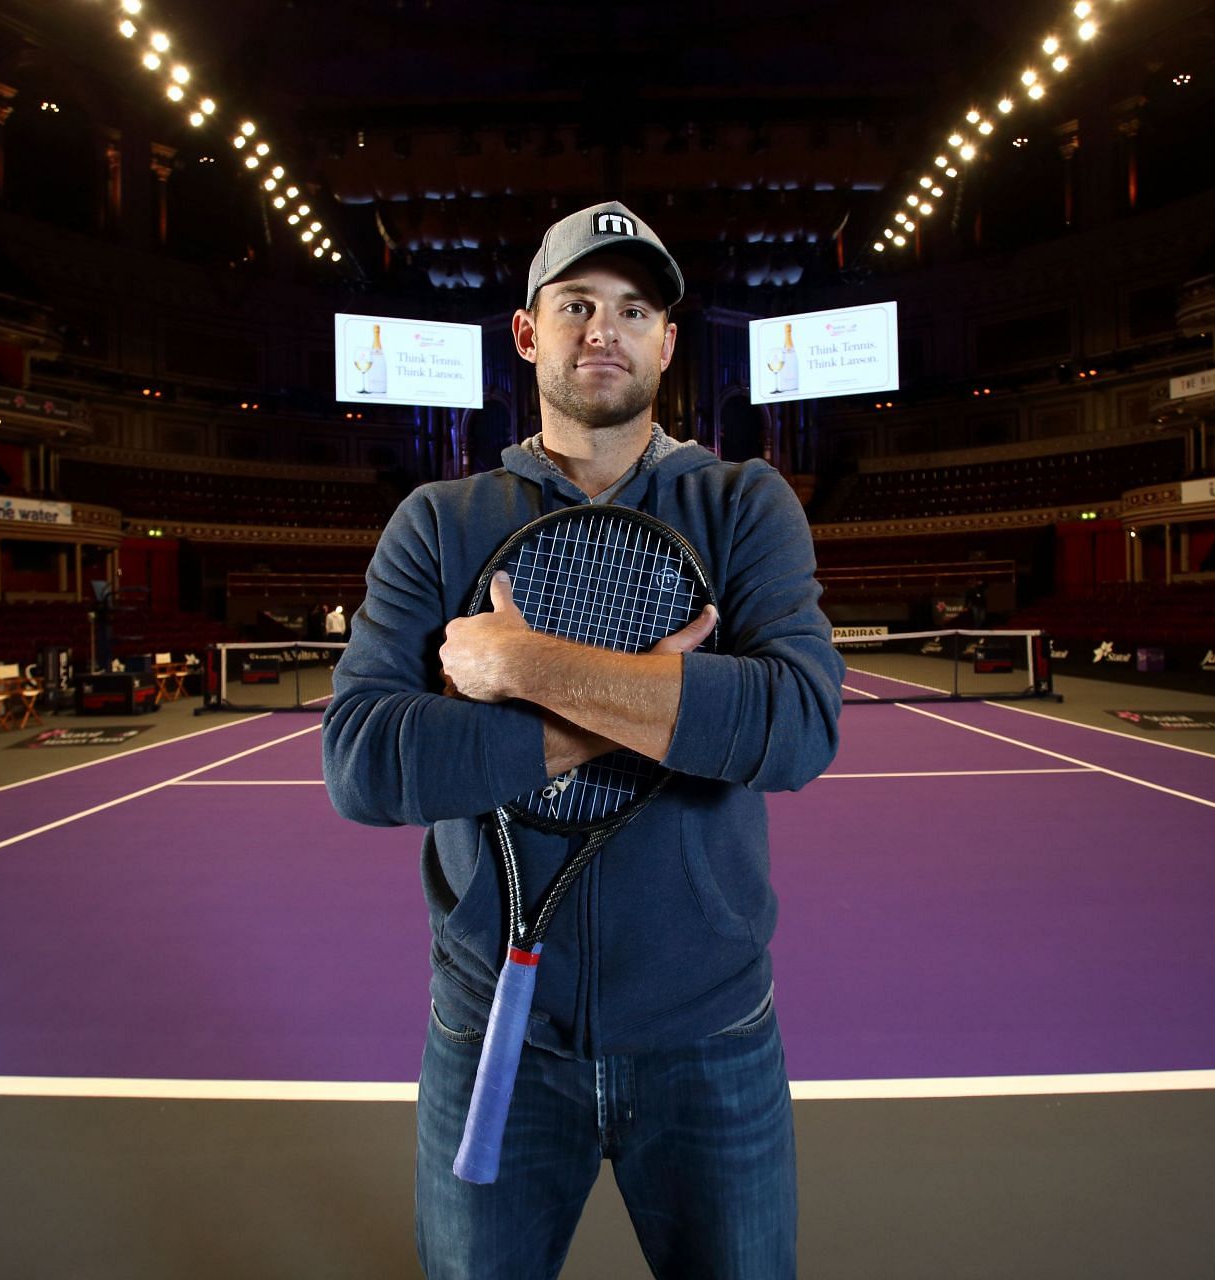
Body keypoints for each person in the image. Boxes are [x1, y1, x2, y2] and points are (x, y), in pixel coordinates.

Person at [322, 200, 842, 1279]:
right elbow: (365, 761)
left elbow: (796, 725)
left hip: (711, 1030)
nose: (603, 326)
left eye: (633, 307)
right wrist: (665, 700)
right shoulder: (437, 519)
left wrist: (522, 668)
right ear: (528, 333)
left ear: (664, 342)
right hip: (492, 1038)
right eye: (576, 304)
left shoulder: (746, 506)